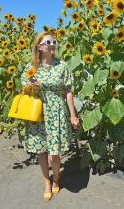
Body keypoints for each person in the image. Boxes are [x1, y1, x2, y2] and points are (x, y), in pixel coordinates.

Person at [20, 30, 80, 201]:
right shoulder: (32, 67)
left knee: (55, 153)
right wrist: (31, 86)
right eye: (48, 42)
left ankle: (56, 179)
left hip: (56, 111)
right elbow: (24, 88)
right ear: (39, 47)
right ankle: (46, 182)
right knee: (42, 151)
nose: (53, 45)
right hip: (38, 113)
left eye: (54, 42)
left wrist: (73, 116)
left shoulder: (62, 65)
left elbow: (68, 91)